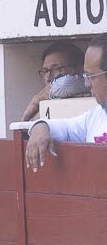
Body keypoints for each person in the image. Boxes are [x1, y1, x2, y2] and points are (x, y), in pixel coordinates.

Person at [26, 32, 107, 172]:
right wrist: (40, 126)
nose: (87, 83)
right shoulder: (95, 116)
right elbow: (66, 128)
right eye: (86, 76)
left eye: (91, 76)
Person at [22, 39, 86, 122]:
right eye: (45, 71)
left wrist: (40, 98)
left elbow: (65, 84)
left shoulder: (89, 85)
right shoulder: (42, 107)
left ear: (80, 70)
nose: (48, 77)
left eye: (56, 69)